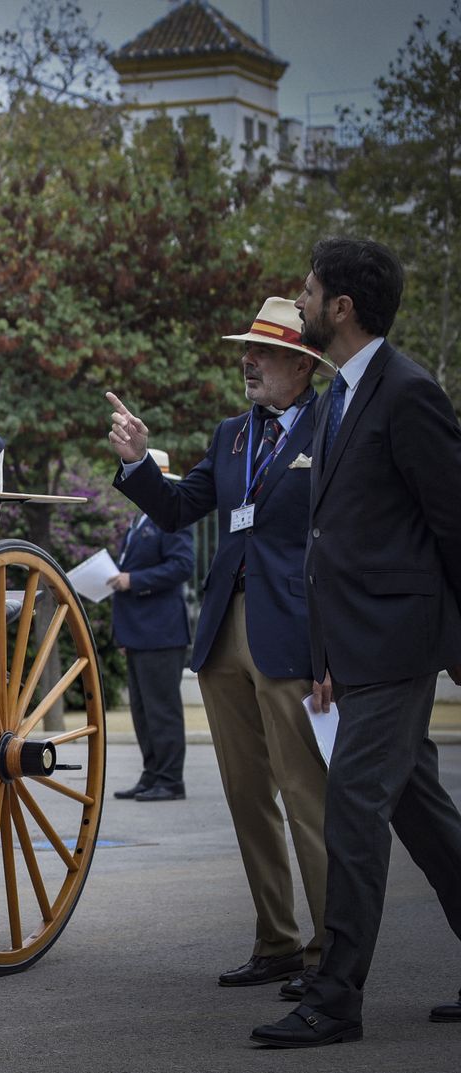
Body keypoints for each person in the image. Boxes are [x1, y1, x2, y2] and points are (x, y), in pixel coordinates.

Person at [251, 238, 461, 1047]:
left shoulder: (407, 393)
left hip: (398, 643)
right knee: (425, 817)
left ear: (340, 307)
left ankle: (335, 1000)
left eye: (306, 294)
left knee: (353, 815)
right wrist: (326, 652)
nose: (297, 305)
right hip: (356, 643)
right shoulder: (341, 395)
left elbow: (452, 519)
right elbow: (337, 533)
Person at [108, 297, 330, 996]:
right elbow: (179, 507)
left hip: (293, 636)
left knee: (306, 795)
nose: (248, 360)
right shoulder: (233, 433)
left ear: (304, 363)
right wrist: (141, 461)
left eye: (262, 351)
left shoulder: (336, 427)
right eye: (246, 348)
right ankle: (278, 941)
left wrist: (334, 649)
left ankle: (333, 954)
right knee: (245, 794)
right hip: (223, 635)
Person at [107, 448, 193, 803]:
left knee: (162, 709)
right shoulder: (139, 521)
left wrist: (133, 580)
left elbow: (182, 566)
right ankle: (152, 773)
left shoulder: (170, 518)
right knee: (142, 711)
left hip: (161, 631)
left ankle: (170, 778)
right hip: (139, 631)